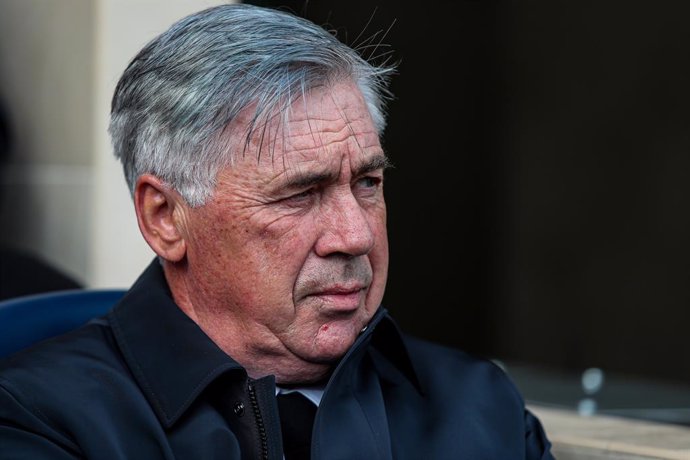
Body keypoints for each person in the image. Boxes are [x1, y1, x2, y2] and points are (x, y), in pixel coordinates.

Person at [0, 4, 554, 459]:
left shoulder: (477, 407)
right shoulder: (42, 419)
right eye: (299, 194)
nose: (354, 236)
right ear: (165, 217)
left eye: (366, 182)